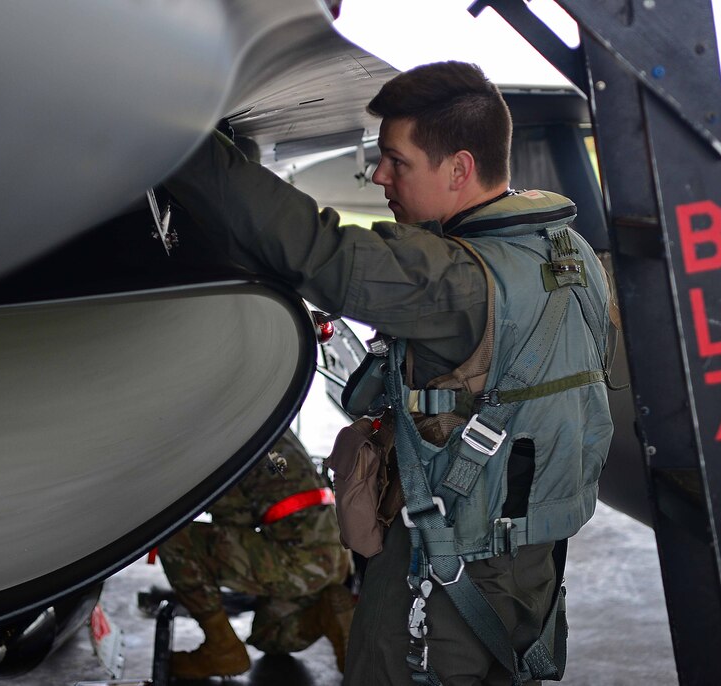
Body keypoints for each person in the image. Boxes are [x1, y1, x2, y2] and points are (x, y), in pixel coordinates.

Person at [163, 61, 615, 685]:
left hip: (441, 573)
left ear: (459, 168)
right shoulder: (569, 253)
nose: (378, 175)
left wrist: (171, 137)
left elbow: (314, 250)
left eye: (396, 161)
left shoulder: (452, 280)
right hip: (531, 569)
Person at [157, 428, 355, 680]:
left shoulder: (222, 439)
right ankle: (325, 613)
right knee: (268, 637)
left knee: (177, 541)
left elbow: (235, 520)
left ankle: (222, 647)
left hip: (299, 559)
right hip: (335, 555)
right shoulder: (272, 424)